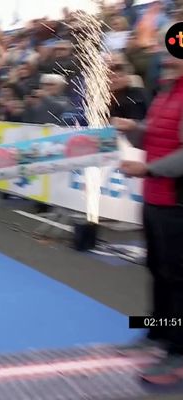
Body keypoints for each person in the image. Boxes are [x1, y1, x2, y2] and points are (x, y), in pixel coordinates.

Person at [113, 50, 183, 385]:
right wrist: (132, 129)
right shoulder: (164, 94)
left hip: (176, 203)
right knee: (158, 270)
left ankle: (179, 355)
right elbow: (153, 137)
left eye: (175, 60)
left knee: (179, 279)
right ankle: (159, 332)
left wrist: (149, 168)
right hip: (155, 199)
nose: (167, 64)